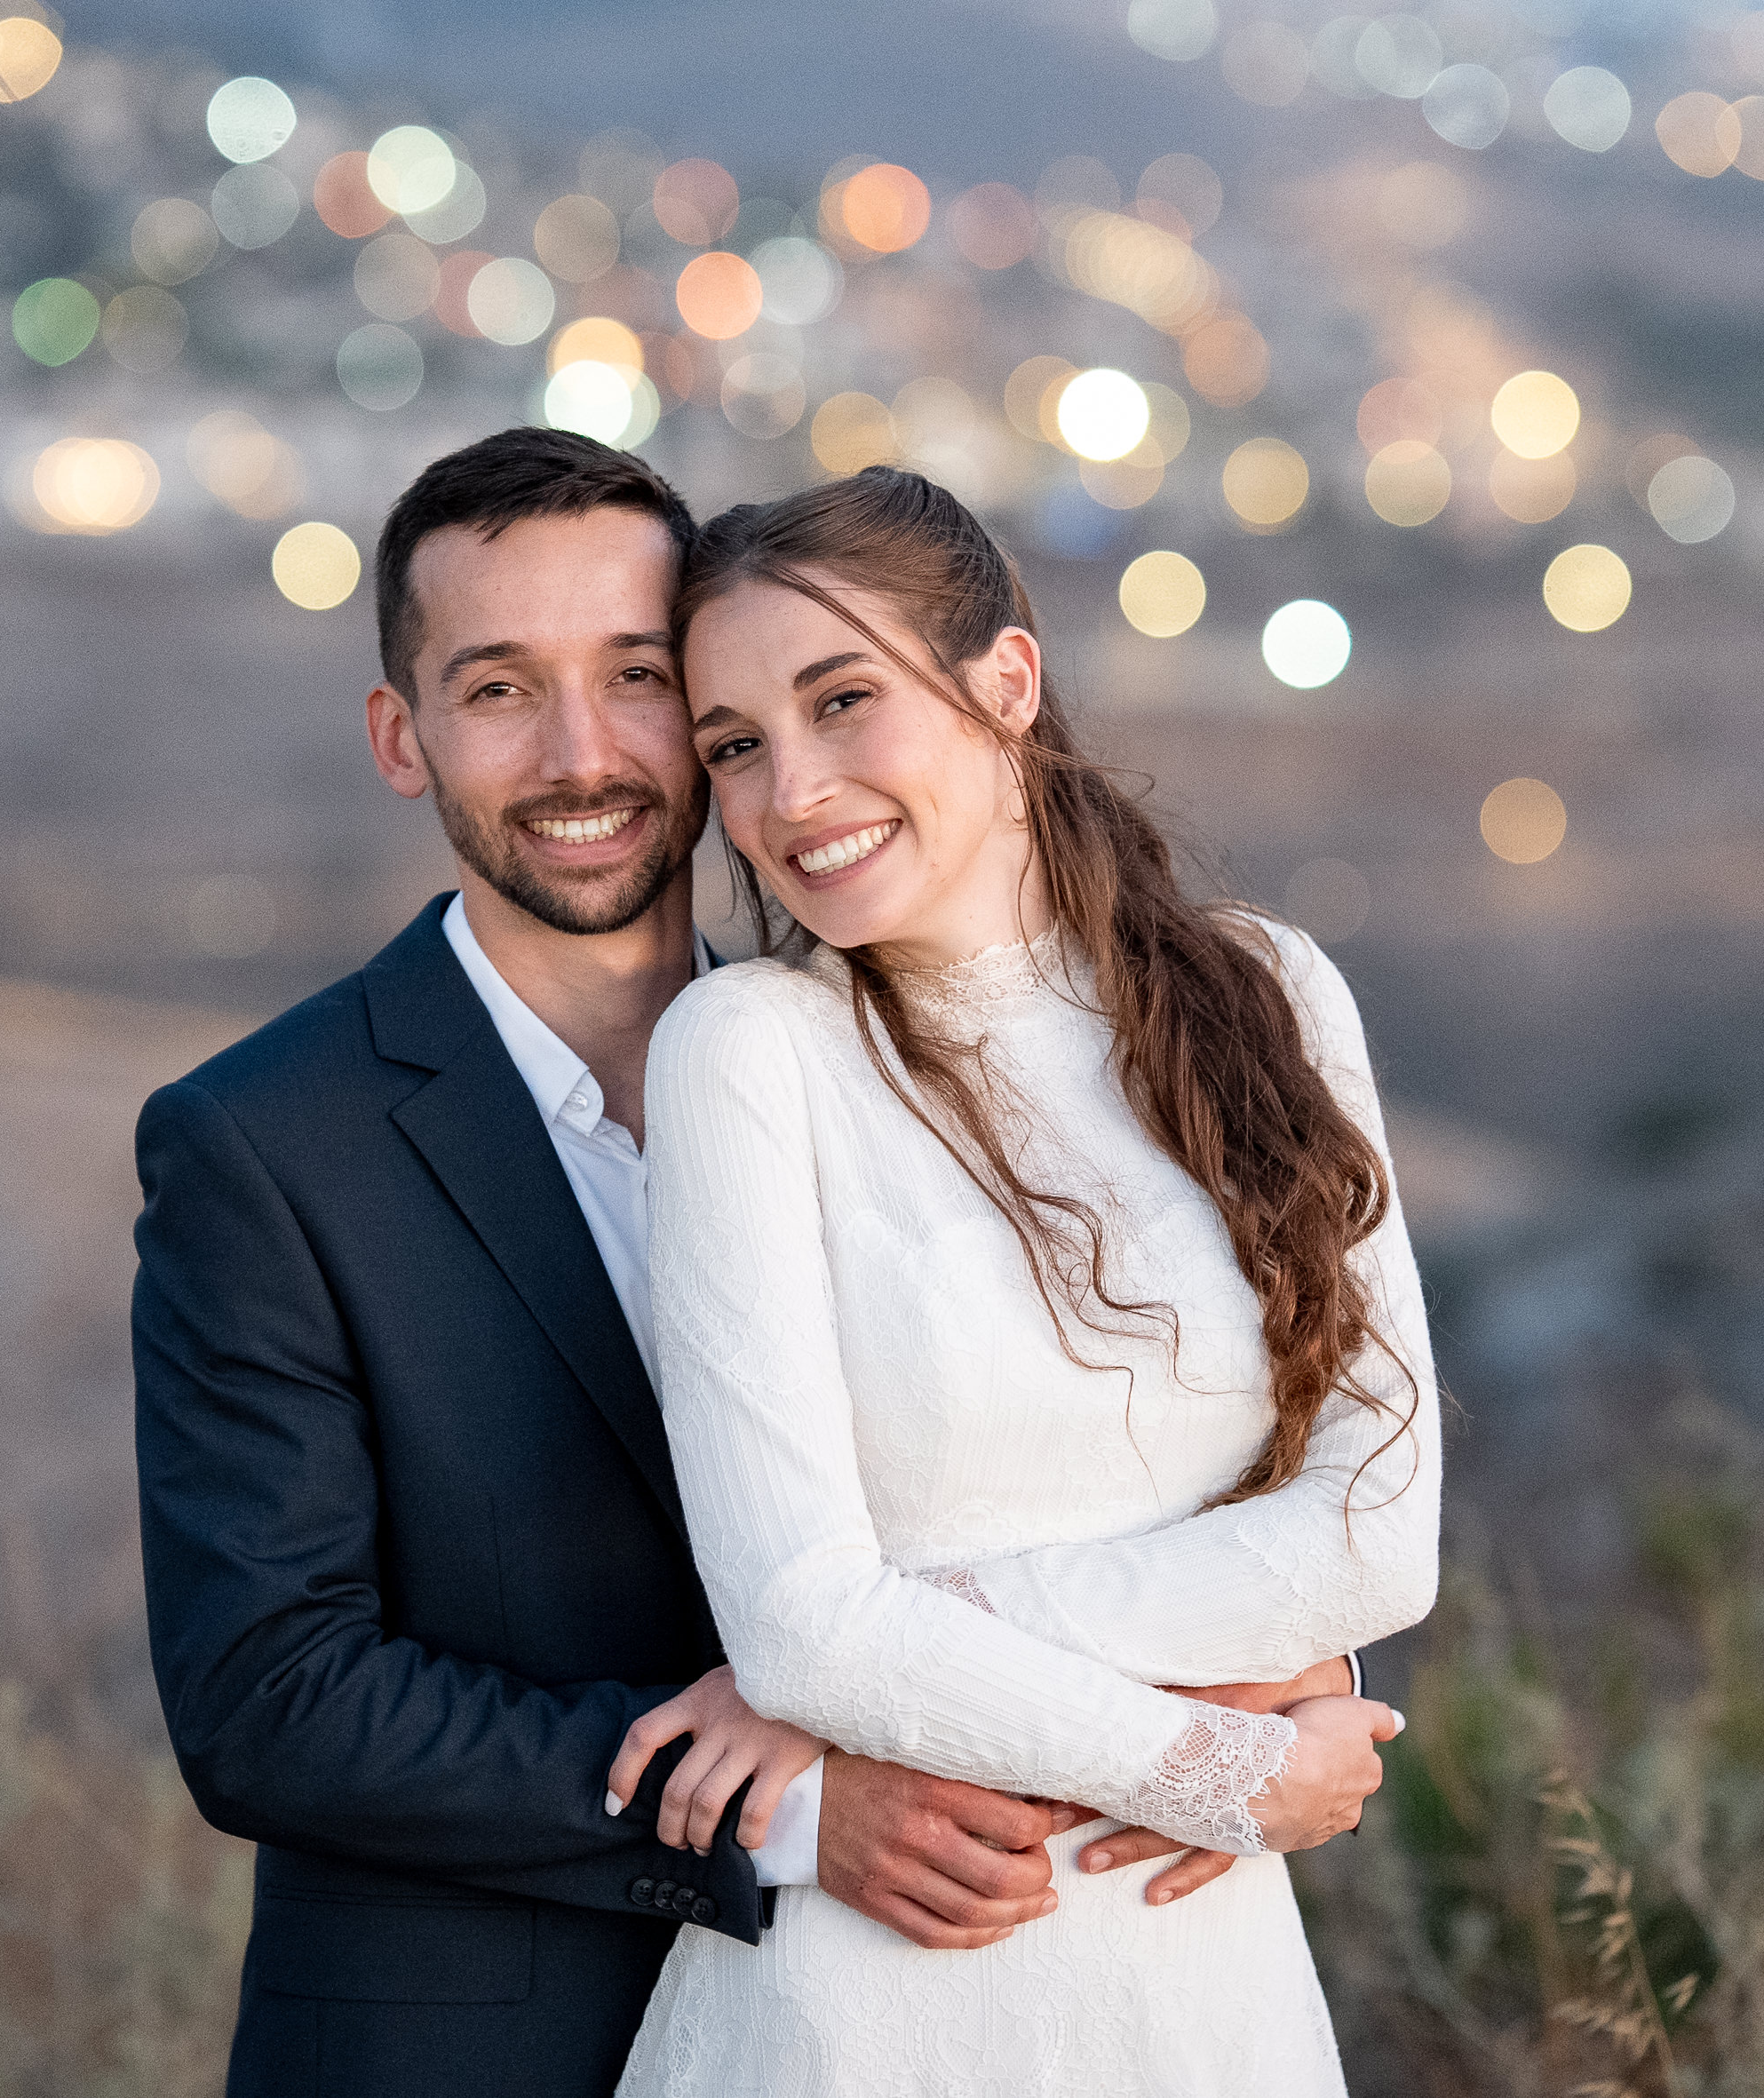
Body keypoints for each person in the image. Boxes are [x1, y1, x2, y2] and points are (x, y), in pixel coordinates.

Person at [131, 430, 1349, 2098]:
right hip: (476, 2049)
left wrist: (1271, 1669)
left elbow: (1094, 1457)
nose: (582, 753)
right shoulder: (266, 1144)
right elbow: (272, 1697)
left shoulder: (900, 1063)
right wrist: (790, 1807)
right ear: (402, 737)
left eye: (637, 677)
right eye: (499, 690)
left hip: (920, 2024)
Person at [613, 467, 1443, 2096]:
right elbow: (798, 1629)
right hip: (877, 2002)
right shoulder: (751, 1052)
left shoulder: (1271, 995)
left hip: (1203, 1996)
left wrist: (908, 1646)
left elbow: (1375, 1532)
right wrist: (1222, 1766)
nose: (792, 791)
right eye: (735, 745)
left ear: (1005, 681)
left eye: (841, 700)